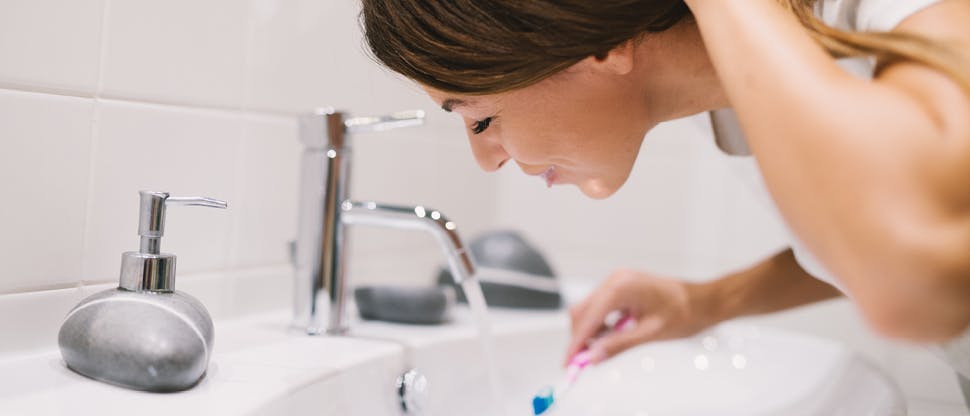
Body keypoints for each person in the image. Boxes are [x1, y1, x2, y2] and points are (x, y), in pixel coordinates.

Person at [359, 0, 970, 376]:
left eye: (481, 118)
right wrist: (706, 302)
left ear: (597, 46)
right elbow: (853, 234)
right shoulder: (724, 87)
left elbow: (916, 276)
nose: (485, 160)